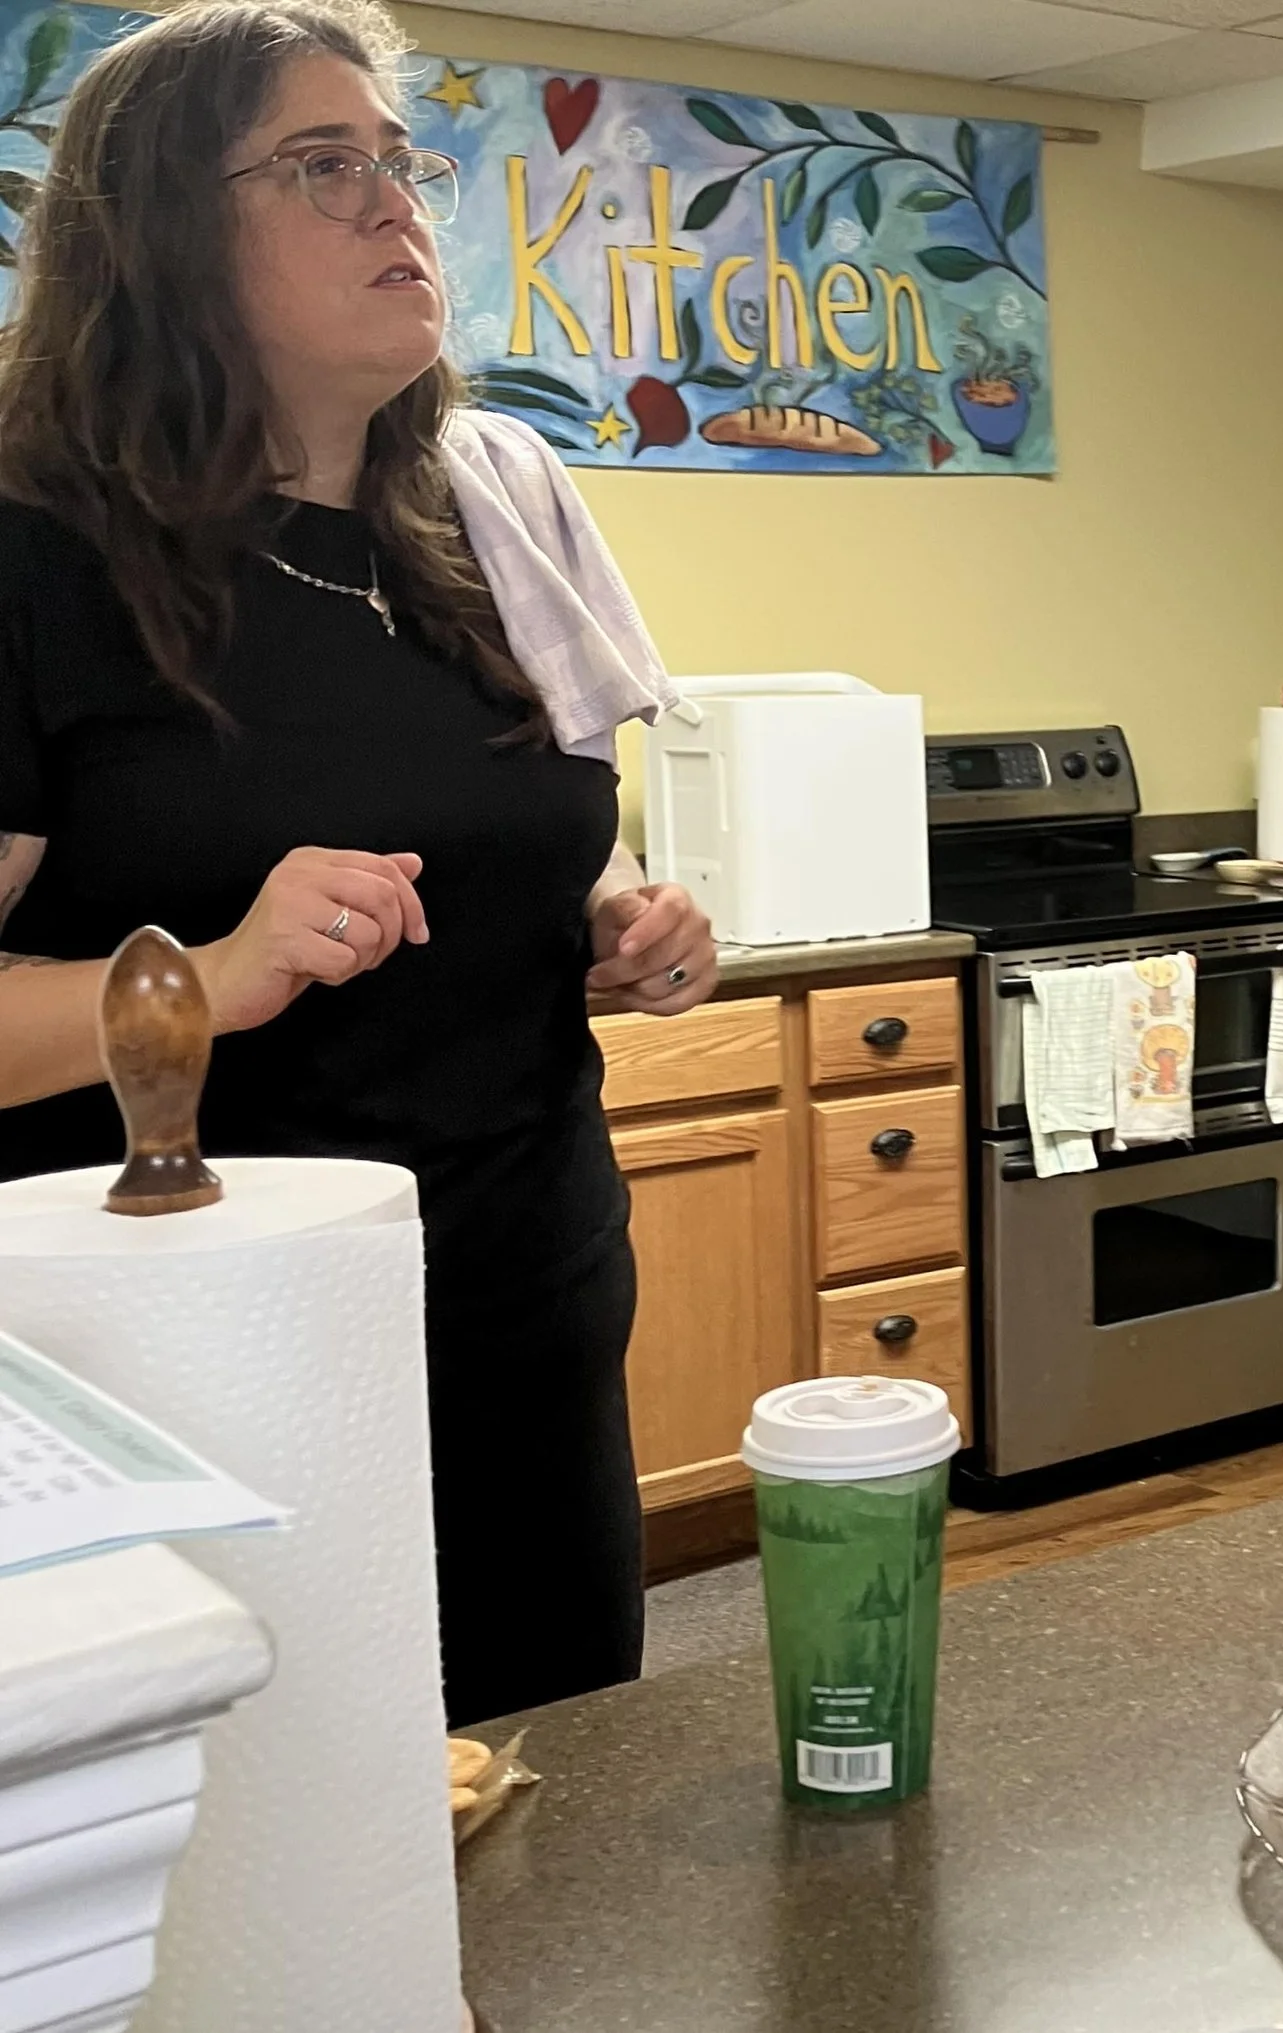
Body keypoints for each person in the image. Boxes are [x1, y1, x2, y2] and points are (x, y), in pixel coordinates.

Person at [0, 0, 716, 1725]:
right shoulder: (37, 550)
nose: (398, 205)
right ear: (164, 227)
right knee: (285, 1870)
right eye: (324, 166)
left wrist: (606, 916)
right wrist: (208, 977)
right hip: (208, 1351)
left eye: (400, 161)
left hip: (520, 1299)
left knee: (547, 1803)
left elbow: (506, 847)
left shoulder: (485, 521)